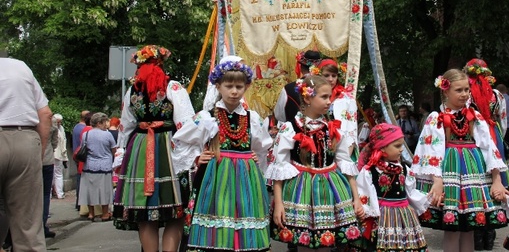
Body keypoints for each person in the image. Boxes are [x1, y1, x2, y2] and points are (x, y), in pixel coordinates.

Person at [173, 58, 272, 252]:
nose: (234, 91)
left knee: (245, 216)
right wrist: (196, 158)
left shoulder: (253, 118)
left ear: (246, 87)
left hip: (246, 177)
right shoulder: (207, 117)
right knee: (217, 217)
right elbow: (181, 141)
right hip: (215, 176)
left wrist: (257, 160)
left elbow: (263, 146)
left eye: (239, 86)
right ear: (218, 86)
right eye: (229, 86)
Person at [412, 69, 509, 252]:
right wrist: (437, 181)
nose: (464, 94)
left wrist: (497, 180)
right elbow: (430, 150)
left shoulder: (476, 117)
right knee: (452, 228)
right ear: (445, 90)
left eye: (466, 89)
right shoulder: (436, 118)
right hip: (450, 171)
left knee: (469, 228)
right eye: (459, 90)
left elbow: (489, 148)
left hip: (474, 170)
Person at [113, 45, 198, 252]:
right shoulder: (173, 87)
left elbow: (126, 126)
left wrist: (121, 152)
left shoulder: (132, 90)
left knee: (145, 212)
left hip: (140, 148)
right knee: (175, 211)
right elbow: (185, 124)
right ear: (161, 64)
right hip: (168, 148)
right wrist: (192, 154)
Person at [268, 75, 364, 250]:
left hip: (330, 190)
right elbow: (279, 169)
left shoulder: (333, 128)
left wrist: (356, 198)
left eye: (330, 97)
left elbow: (345, 164)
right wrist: (278, 203)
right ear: (307, 97)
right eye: (324, 97)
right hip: (300, 190)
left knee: (326, 242)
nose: (329, 101)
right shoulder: (290, 128)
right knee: (304, 242)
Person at [0, 57, 52, 251]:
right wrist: (37, 154)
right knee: (28, 225)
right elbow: (45, 114)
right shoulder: (19, 66)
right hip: (25, 140)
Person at [352, 123, 429, 252]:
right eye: (397, 146)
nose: (401, 149)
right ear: (382, 148)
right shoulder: (370, 171)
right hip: (382, 217)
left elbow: (411, 192)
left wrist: (428, 198)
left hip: (404, 216)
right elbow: (364, 194)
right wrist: (365, 211)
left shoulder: (405, 169)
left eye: (402, 145)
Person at [463, 59, 509, 251]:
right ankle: (491, 229)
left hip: (471, 135)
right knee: (494, 177)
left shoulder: (465, 93)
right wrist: (498, 138)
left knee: (476, 178)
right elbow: (503, 119)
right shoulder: (497, 95)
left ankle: (477, 231)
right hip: (493, 132)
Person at [77, 112, 116, 221]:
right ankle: (104, 214)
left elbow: (83, 147)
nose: (106, 125)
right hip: (105, 166)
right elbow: (113, 149)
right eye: (104, 122)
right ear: (99, 123)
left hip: (89, 165)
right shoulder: (107, 134)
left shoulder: (86, 134)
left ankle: (91, 213)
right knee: (104, 190)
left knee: (90, 190)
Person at [274, 50, 322, 123]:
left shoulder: (288, 89)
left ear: (301, 68)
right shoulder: (326, 87)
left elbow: (279, 115)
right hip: (322, 132)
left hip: (294, 131)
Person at [42, 109, 58, 239]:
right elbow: (54, 143)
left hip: (31, 160)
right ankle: (42, 225)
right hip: (46, 159)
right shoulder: (51, 120)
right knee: (45, 195)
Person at [72, 110, 90, 210]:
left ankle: (78, 202)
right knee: (81, 179)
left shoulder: (76, 127)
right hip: (83, 156)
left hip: (77, 154)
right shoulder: (85, 129)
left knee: (79, 177)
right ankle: (80, 203)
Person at [52, 114, 68, 199]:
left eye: (60, 122)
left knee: (57, 174)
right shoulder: (54, 128)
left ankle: (59, 193)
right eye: (58, 122)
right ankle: (54, 193)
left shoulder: (61, 128)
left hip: (58, 154)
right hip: (53, 153)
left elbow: (64, 142)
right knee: (54, 174)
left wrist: (65, 156)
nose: (59, 123)